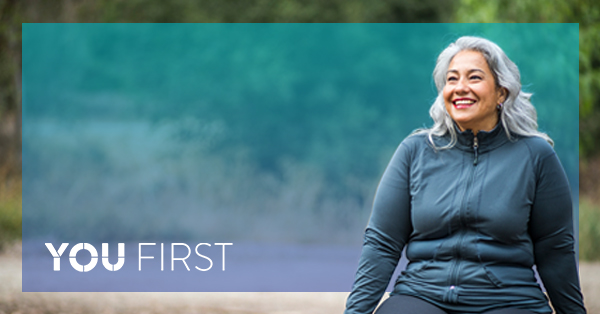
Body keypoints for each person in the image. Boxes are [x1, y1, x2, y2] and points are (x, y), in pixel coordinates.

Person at [344, 36, 586, 314]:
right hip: (422, 296)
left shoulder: (536, 155)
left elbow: (555, 250)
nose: (460, 88)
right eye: (452, 79)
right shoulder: (415, 151)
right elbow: (382, 244)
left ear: (501, 92)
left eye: (474, 78)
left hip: (509, 300)